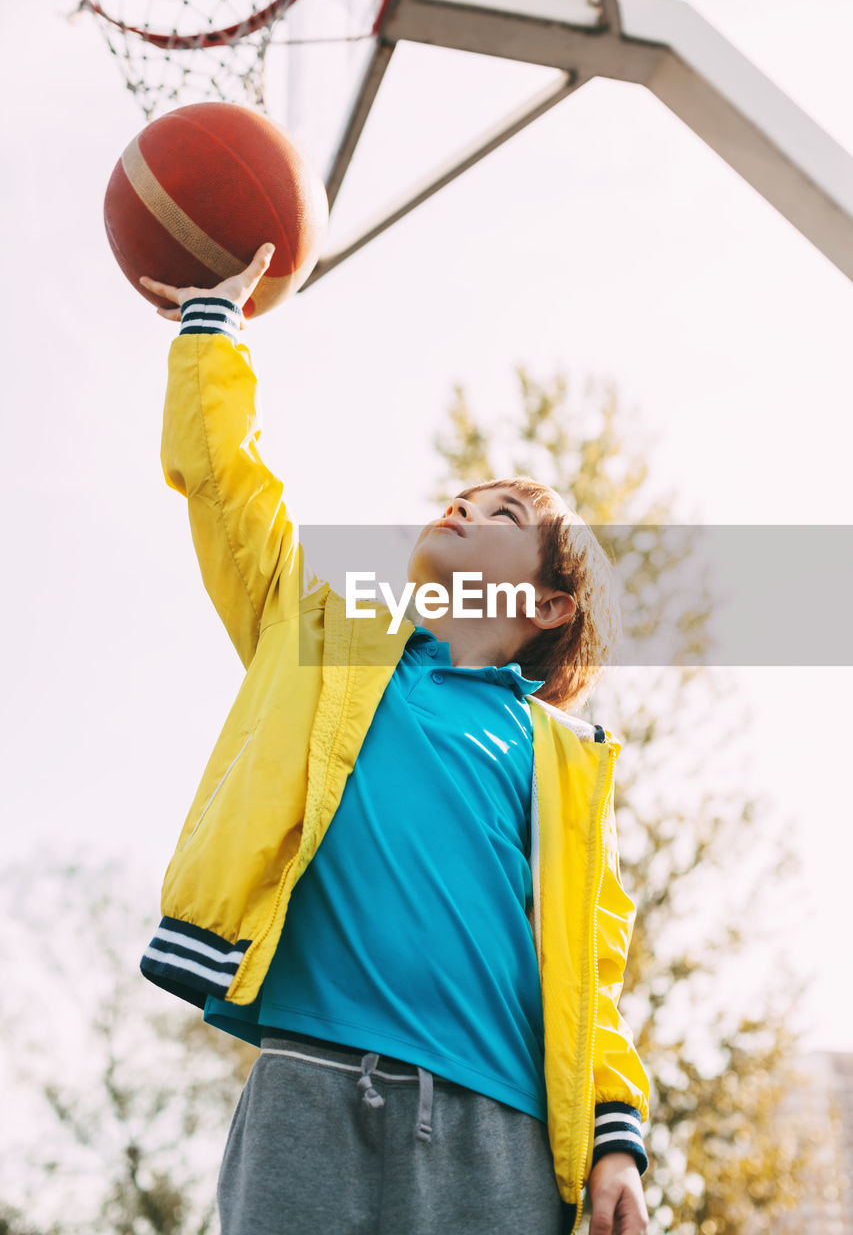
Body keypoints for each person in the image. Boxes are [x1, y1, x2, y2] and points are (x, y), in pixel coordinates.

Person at [138, 244, 651, 1235]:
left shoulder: (557, 754)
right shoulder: (318, 638)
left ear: (546, 600)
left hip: (498, 1126)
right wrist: (213, 330)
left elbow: (586, 970)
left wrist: (615, 1140)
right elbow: (227, 489)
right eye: (462, 494)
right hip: (310, 1089)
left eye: (501, 510)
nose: (461, 503)